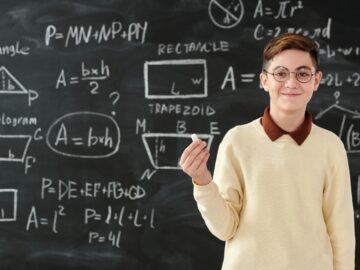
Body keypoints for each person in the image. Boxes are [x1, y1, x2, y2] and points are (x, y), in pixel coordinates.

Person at [179, 33, 355, 270]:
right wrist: (202, 181)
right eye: (281, 74)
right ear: (264, 81)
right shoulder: (237, 141)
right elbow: (225, 229)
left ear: (316, 80)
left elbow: (341, 232)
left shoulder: (330, 146)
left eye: (302, 74)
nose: (291, 83)